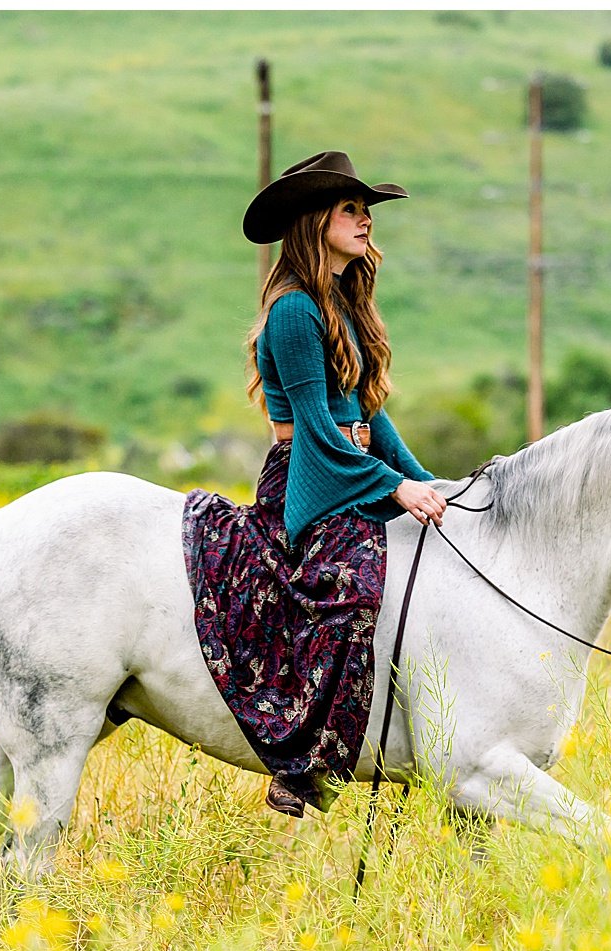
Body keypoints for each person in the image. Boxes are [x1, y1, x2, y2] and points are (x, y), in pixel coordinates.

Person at [182, 150, 447, 818]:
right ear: (315, 220)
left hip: (350, 468)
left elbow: (367, 418)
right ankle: (303, 763)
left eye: (365, 211)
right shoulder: (296, 312)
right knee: (350, 585)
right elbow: (319, 432)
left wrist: (428, 481)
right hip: (309, 479)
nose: (365, 223)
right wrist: (394, 490)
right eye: (352, 209)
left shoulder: (343, 303)